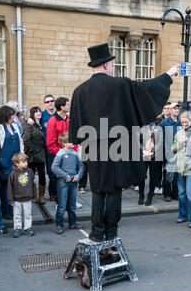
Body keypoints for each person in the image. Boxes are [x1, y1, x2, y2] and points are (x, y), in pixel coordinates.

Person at [69, 43, 178, 242]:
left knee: (98, 189)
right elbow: (147, 89)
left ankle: (96, 232)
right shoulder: (120, 84)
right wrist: (168, 75)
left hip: (94, 148)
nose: (113, 67)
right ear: (106, 65)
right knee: (114, 189)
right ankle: (111, 232)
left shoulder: (80, 91)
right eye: (111, 64)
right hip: (119, 146)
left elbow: (76, 128)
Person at [0, 106, 24, 220]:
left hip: (15, 161)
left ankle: (13, 207)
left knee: (15, 186)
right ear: (5, 115)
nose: (13, 117)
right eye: (11, 115)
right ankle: (5, 209)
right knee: (5, 187)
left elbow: (20, 142)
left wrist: (22, 157)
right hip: (3, 161)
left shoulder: (14, 126)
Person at [46, 97, 78, 202]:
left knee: (71, 180)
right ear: (62, 107)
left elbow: (74, 137)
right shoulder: (53, 121)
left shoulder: (69, 119)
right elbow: (50, 144)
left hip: (70, 154)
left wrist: (74, 150)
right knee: (60, 181)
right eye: (68, 105)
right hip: (58, 156)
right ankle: (59, 203)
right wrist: (62, 153)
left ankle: (71, 202)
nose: (69, 106)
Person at [52, 132, 84, 234]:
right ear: (64, 143)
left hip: (73, 182)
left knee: (72, 205)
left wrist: (78, 176)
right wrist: (65, 176)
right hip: (63, 182)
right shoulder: (60, 154)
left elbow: (81, 166)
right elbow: (54, 167)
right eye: (71, 141)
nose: (73, 142)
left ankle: (73, 223)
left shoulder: (75, 154)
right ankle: (59, 224)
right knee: (61, 205)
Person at [172, 111, 191, 227]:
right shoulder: (179, 133)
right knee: (181, 193)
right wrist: (180, 143)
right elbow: (173, 149)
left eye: (186, 122)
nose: (184, 124)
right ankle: (182, 215)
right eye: (182, 122)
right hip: (180, 167)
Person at [8, 152, 36, 238]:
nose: (26, 163)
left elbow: (33, 184)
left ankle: (27, 228)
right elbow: (9, 187)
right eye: (23, 162)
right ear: (17, 164)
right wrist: (10, 199)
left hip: (27, 198)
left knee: (28, 214)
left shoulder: (30, 171)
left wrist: (34, 196)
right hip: (17, 199)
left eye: (26, 161)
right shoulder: (13, 174)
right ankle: (17, 228)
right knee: (17, 215)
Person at [138, 116, 164, 206]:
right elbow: (138, 141)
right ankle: (141, 195)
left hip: (155, 156)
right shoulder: (142, 127)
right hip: (144, 155)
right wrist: (143, 150)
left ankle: (150, 196)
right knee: (141, 176)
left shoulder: (159, 128)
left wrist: (153, 152)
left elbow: (160, 142)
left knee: (153, 177)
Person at [24, 106, 47, 204]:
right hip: (32, 155)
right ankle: (32, 195)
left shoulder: (42, 124)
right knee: (31, 176)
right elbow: (26, 140)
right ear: (32, 114)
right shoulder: (29, 125)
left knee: (42, 175)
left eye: (39, 111)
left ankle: (41, 196)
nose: (39, 113)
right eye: (36, 112)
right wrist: (33, 150)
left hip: (42, 154)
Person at [160, 102, 181, 202]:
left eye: (177, 108)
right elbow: (161, 138)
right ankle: (167, 194)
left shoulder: (181, 123)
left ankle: (175, 193)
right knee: (168, 172)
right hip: (168, 152)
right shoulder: (164, 123)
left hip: (179, 152)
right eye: (174, 108)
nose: (176, 110)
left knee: (177, 173)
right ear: (170, 110)